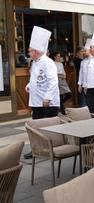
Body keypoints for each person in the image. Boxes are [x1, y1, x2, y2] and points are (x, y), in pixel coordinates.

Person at [24, 26, 60, 159]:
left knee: (50, 127)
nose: (28, 52)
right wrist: (29, 85)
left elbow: (53, 81)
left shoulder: (48, 62)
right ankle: (36, 149)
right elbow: (35, 77)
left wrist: (48, 97)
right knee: (36, 127)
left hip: (47, 102)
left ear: (37, 51)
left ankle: (54, 148)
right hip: (36, 100)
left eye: (30, 50)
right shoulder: (35, 62)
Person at [77, 39, 91, 107]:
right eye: (84, 51)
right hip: (83, 85)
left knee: (91, 104)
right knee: (83, 104)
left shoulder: (93, 61)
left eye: (85, 51)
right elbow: (81, 74)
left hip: (91, 86)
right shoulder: (83, 61)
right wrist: (79, 84)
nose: (84, 52)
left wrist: (87, 86)